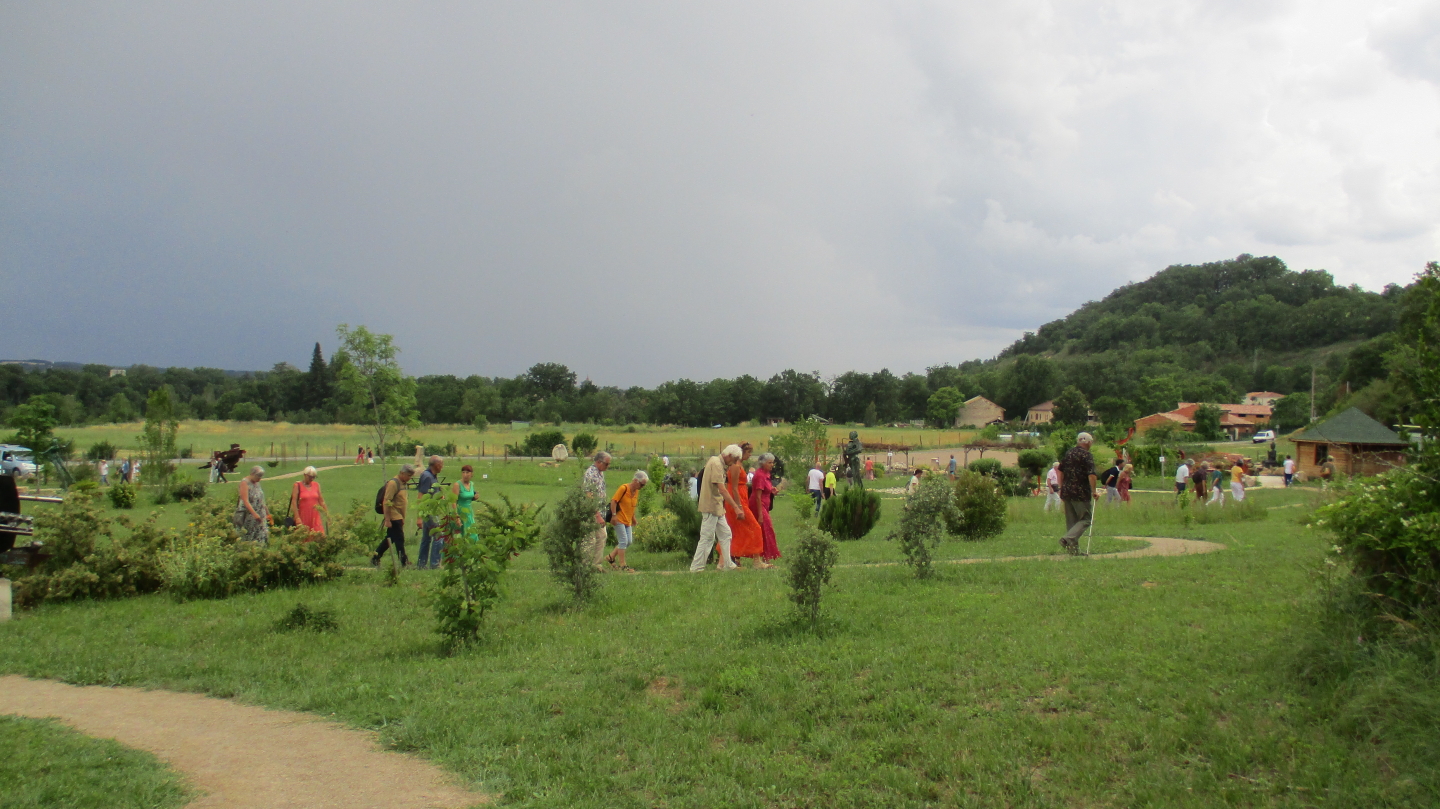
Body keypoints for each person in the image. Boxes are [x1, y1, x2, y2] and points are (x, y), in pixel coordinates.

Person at [690, 445, 745, 572]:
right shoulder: (717, 464)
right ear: (729, 456)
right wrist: (736, 507)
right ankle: (697, 567)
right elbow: (722, 489)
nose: (734, 463)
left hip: (717, 506)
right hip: (711, 505)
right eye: (734, 460)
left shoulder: (715, 461)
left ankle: (727, 564)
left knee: (726, 534)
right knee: (707, 537)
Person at [1056, 432, 1098, 555]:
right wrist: (1094, 491)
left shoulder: (1069, 453)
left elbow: (1060, 471)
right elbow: (1091, 475)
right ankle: (1067, 539)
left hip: (1067, 491)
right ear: (1089, 442)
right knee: (1086, 519)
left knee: (1072, 521)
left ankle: (1073, 551)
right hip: (1081, 492)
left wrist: (1061, 487)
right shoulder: (1087, 455)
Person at [726, 445, 767, 568]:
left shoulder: (740, 465)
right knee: (755, 527)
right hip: (737, 500)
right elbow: (734, 487)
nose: (750, 455)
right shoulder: (735, 466)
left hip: (742, 498)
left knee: (739, 529)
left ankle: (735, 558)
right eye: (748, 452)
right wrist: (738, 506)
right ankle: (756, 561)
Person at [372, 464, 416, 567]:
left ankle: (376, 557)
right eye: (408, 475)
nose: (409, 478)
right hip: (393, 516)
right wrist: (387, 519)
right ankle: (404, 561)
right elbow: (386, 501)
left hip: (399, 516)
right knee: (399, 539)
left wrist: (402, 518)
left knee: (390, 538)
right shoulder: (393, 483)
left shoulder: (403, 484)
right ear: (402, 473)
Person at [604, 470, 648, 572]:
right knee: (623, 541)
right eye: (642, 484)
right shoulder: (624, 488)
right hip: (619, 519)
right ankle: (623, 565)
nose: (642, 487)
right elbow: (614, 501)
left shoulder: (636, 492)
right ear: (636, 481)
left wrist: (633, 518)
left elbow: (632, 506)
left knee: (629, 541)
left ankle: (610, 557)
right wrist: (614, 515)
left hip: (627, 520)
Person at [415, 455, 446, 570]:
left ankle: (421, 563)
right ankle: (435, 563)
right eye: (441, 464)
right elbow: (421, 496)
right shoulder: (427, 477)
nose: (442, 467)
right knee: (439, 536)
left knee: (426, 538)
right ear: (437, 465)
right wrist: (419, 516)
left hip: (432, 510)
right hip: (429, 512)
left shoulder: (432, 476)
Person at [582, 451, 612, 570]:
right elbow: (589, 495)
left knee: (602, 536)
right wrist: (597, 515)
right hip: (592, 513)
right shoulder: (591, 474)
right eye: (606, 464)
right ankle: (585, 566)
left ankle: (596, 565)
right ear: (599, 462)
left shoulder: (600, 473)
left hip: (600, 511)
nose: (608, 466)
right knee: (590, 539)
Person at [750, 453, 782, 563]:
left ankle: (765, 557)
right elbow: (757, 496)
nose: (772, 465)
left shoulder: (766, 474)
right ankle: (764, 558)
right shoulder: (760, 475)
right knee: (766, 529)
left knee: (766, 530)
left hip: (765, 505)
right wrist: (760, 514)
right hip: (759, 505)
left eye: (772, 462)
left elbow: (765, 489)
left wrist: (771, 490)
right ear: (763, 463)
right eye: (769, 463)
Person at [235, 466, 271, 545]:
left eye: (260, 477)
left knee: (262, 535)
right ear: (252, 474)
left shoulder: (257, 483)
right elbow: (245, 501)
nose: (259, 479)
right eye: (258, 477)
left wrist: (267, 513)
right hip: (249, 514)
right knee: (249, 536)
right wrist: (255, 514)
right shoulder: (244, 482)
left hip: (260, 513)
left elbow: (261, 500)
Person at [288, 466, 328, 535]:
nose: (311, 479)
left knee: (318, 535)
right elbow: (294, 502)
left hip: (315, 517)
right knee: (304, 536)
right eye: (310, 477)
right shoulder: (297, 485)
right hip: (303, 516)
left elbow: (321, 501)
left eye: (313, 477)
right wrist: (297, 518)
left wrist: (327, 514)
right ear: (305, 475)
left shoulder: (316, 485)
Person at [453, 465, 478, 535]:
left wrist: (474, 498)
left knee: (472, 533)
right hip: (461, 512)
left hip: (469, 512)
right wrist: (456, 517)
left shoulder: (471, 484)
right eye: (463, 472)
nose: (465, 475)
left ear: (471, 474)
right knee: (463, 533)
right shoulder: (457, 485)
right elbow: (453, 501)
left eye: (467, 473)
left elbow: (467, 497)